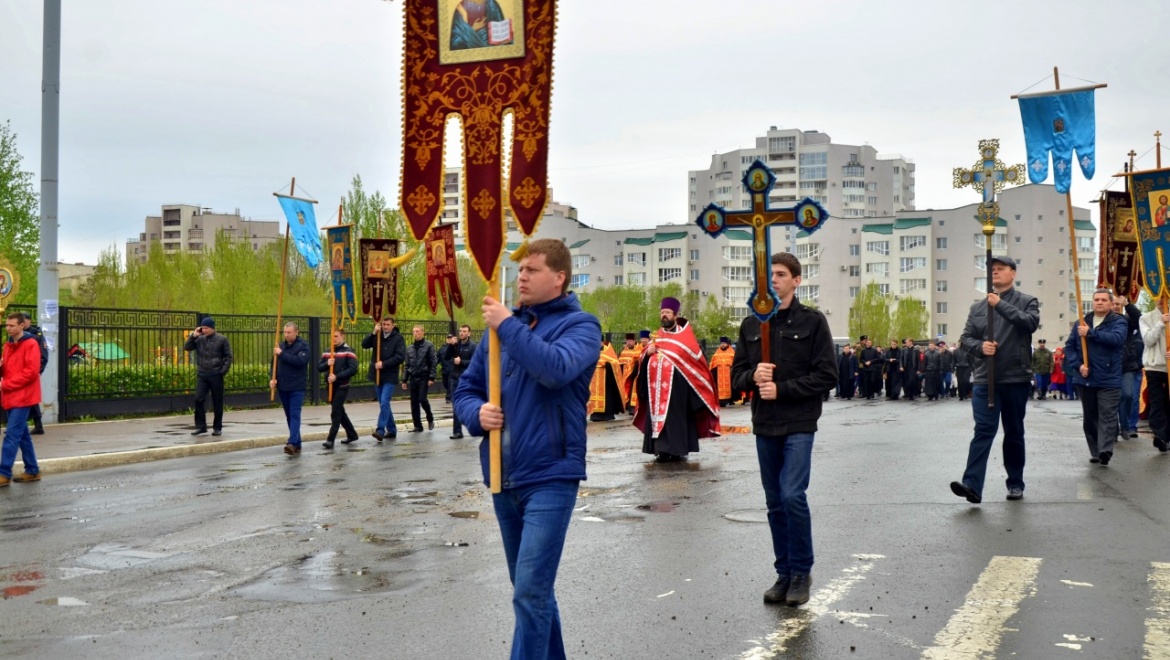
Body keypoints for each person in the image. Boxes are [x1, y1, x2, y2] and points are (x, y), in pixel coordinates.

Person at [451, 238, 599, 660]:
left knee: (530, 592)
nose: (522, 278)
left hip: (551, 475)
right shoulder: (501, 330)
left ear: (559, 277)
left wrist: (506, 325)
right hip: (502, 473)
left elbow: (555, 369)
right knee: (531, 593)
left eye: (532, 270)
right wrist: (476, 413)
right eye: (520, 271)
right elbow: (467, 388)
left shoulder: (581, 326)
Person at [730, 252, 837, 607]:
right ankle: (784, 573)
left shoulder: (812, 322)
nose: (772, 281)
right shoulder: (750, 325)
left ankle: (802, 572)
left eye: (779, 275)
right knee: (775, 503)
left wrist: (783, 388)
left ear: (796, 280)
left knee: (792, 495)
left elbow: (827, 376)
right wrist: (752, 377)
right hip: (765, 424)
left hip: (800, 422)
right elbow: (735, 377)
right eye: (766, 276)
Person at [950, 256, 1039, 504]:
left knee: (1013, 432)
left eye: (1001, 269)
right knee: (983, 431)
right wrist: (981, 347)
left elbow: (1030, 323)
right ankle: (972, 485)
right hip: (984, 379)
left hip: (1015, 377)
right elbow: (965, 339)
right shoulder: (978, 308)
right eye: (992, 270)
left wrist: (999, 305)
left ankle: (1015, 483)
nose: (996, 272)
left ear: (1013, 273)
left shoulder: (1027, 301)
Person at [634, 297, 720, 462]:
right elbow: (643, 361)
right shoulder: (656, 337)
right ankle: (660, 450)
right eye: (662, 313)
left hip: (678, 392)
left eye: (667, 313)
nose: (664, 316)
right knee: (658, 419)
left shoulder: (686, 338)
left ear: (675, 315)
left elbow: (696, 363)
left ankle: (677, 449)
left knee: (675, 419)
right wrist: (647, 354)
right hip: (656, 390)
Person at [1063, 288, 1128, 465]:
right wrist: (1079, 365)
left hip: (1109, 377)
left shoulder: (1118, 321)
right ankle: (1095, 451)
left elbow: (1116, 339)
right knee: (1090, 417)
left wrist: (1090, 333)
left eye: (1103, 300)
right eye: (1096, 299)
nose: (1099, 302)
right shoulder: (1081, 322)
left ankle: (1105, 450)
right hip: (1085, 377)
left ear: (1110, 303)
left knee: (1107, 414)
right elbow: (1069, 347)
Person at [0, 312, 42, 485]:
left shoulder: (31, 344)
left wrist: (6, 384)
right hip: (11, 396)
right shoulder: (8, 345)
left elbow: (31, 373)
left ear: (22, 325)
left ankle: (4, 473)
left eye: (12, 325)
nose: (8, 328)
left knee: (11, 435)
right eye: (7, 325)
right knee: (22, 435)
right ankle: (32, 470)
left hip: (23, 396)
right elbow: (7, 370)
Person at [183, 317, 233, 437]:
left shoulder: (222, 339)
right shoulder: (199, 339)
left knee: (217, 401)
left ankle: (217, 427)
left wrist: (222, 371)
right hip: (202, 373)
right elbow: (187, 347)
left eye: (206, 328)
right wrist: (194, 335)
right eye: (203, 328)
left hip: (216, 374)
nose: (204, 330)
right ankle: (201, 426)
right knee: (198, 399)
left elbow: (228, 357)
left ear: (212, 328)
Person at [362, 317, 407, 442]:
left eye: (388, 324)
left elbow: (400, 357)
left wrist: (384, 364)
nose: (385, 327)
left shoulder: (398, 339)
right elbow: (364, 345)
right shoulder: (377, 335)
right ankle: (392, 429)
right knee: (383, 404)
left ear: (393, 325)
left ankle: (380, 430)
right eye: (383, 324)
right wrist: (373, 333)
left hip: (390, 376)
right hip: (377, 375)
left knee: (384, 402)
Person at [269, 322, 310, 456]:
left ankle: (291, 442)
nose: (286, 335)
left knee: (294, 414)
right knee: (288, 416)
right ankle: (297, 442)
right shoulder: (280, 346)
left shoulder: (303, 346)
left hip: (297, 386)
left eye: (289, 332)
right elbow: (273, 364)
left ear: (296, 332)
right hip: (283, 386)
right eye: (285, 332)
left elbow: (300, 362)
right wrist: (273, 378)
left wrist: (282, 354)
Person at [319, 328, 359, 449]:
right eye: (332, 336)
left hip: (342, 385)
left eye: (336, 336)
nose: (333, 339)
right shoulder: (327, 352)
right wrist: (327, 364)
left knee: (335, 411)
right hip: (330, 386)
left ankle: (330, 440)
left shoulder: (349, 351)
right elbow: (319, 367)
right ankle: (352, 434)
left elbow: (353, 369)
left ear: (343, 337)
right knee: (340, 411)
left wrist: (337, 376)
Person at [1140, 304, 1170, 453]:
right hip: (1154, 366)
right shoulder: (1146, 318)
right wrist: (1160, 323)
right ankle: (1160, 436)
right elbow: (1148, 340)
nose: (1162, 300)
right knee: (1156, 401)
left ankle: (1167, 434)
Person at [1114, 295, 1143, 440]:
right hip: (1109, 365)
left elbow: (1138, 319)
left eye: (1116, 303)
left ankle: (1126, 426)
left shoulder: (1126, 321)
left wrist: (1127, 304)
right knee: (1113, 398)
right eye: (1112, 302)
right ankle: (1115, 428)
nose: (1114, 305)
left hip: (1127, 365)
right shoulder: (1101, 322)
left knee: (1128, 395)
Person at [443, 324, 477, 439]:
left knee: (467, 403)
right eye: (460, 331)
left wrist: (461, 362)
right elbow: (446, 357)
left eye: (464, 331)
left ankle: (473, 423)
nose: (462, 333)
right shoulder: (455, 345)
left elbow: (474, 363)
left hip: (467, 378)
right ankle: (457, 431)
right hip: (455, 378)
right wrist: (450, 345)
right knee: (456, 404)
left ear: (469, 333)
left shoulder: (473, 346)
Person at [402, 325, 438, 432]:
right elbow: (407, 365)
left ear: (423, 332)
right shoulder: (410, 348)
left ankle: (429, 417)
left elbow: (433, 362)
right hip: (413, 377)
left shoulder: (428, 346)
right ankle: (417, 425)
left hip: (424, 376)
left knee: (422, 399)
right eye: (413, 332)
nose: (415, 333)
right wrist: (404, 379)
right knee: (414, 402)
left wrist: (431, 377)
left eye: (417, 331)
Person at [19, 313, 47, 435]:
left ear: (29, 321)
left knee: (30, 398)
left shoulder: (36, 335)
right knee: (21, 398)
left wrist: (37, 371)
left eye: (23, 320)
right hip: (18, 373)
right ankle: (33, 425)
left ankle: (35, 425)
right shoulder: (16, 335)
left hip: (31, 373)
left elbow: (43, 356)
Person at [589, 339, 625, 421]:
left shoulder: (608, 351)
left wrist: (608, 365)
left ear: (602, 342)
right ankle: (595, 415)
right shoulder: (592, 351)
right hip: (594, 380)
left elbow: (615, 363)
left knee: (607, 397)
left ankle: (607, 415)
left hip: (607, 380)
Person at [617, 333, 643, 413]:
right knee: (625, 389)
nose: (629, 343)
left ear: (634, 341)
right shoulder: (623, 351)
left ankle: (633, 407)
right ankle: (625, 405)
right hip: (625, 376)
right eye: (627, 341)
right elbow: (619, 364)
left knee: (633, 390)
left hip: (634, 375)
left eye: (630, 341)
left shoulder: (639, 350)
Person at [710, 336, 737, 406]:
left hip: (729, 372)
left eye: (724, 343)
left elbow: (735, 362)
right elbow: (713, 363)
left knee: (731, 385)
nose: (723, 345)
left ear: (727, 344)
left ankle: (731, 400)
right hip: (719, 374)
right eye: (721, 343)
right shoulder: (717, 353)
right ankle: (721, 401)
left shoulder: (732, 352)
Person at [441, 333, 457, 402]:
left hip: (452, 368)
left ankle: (448, 397)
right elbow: (438, 357)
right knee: (445, 383)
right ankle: (451, 392)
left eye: (451, 338)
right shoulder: (442, 348)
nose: (449, 339)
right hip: (444, 369)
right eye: (448, 338)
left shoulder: (456, 346)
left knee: (450, 382)